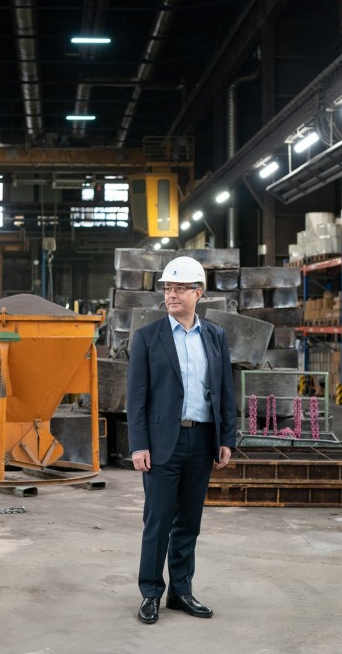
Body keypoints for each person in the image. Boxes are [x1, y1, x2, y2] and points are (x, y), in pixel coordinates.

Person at [126, 255, 236, 625]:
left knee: (189, 522)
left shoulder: (216, 337)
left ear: (198, 293)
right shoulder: (147, 338)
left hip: (202, 441)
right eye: (167, 288)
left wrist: (226, 439)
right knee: (158, 522)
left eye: (179, 288)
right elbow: (136, 397)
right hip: (161, 445)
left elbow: (224, 392)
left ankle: (181, 592)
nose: (171, 295)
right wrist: (138, 444)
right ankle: (150, 594)